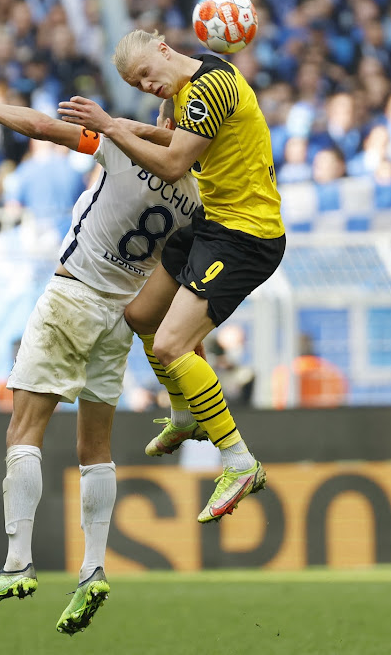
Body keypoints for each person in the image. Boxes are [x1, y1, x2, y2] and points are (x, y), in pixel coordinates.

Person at [0, 89, 200, 633]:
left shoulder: (120, 145)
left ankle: (17, 562)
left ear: (165, 120)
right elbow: (184, 290)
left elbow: (42, 128)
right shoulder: (197, 202)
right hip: (122, 317)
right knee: (95, 448)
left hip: (72, 297)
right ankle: (92, 569)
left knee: (24, 430)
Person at [58, 29, 286, 523]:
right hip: (214, 225)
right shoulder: (192, 86)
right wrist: (129, 126)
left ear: (163, 48)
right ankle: (186, 415)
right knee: (141, 315)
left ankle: (238, 461)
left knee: (170, 346)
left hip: (247, 235)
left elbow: (175, 162)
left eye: (145, 74)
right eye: (138, 85)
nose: (148, 86)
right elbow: (184, 142)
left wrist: (114, 128)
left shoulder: (208, 88)